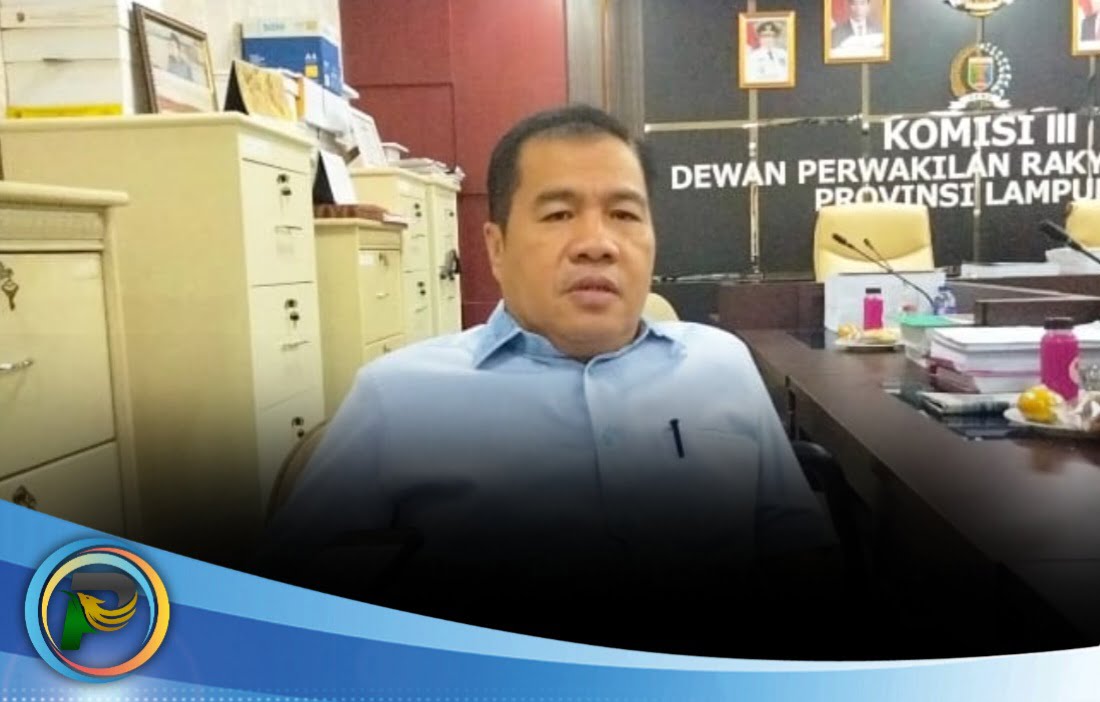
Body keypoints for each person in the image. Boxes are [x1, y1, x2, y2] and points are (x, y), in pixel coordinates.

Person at [261, 105, 835, 655]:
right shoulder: (396, 398)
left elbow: (802, 558)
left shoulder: (721, 364)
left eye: (625, 214)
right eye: (559, 214)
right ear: (496, 247)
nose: (597, 244)